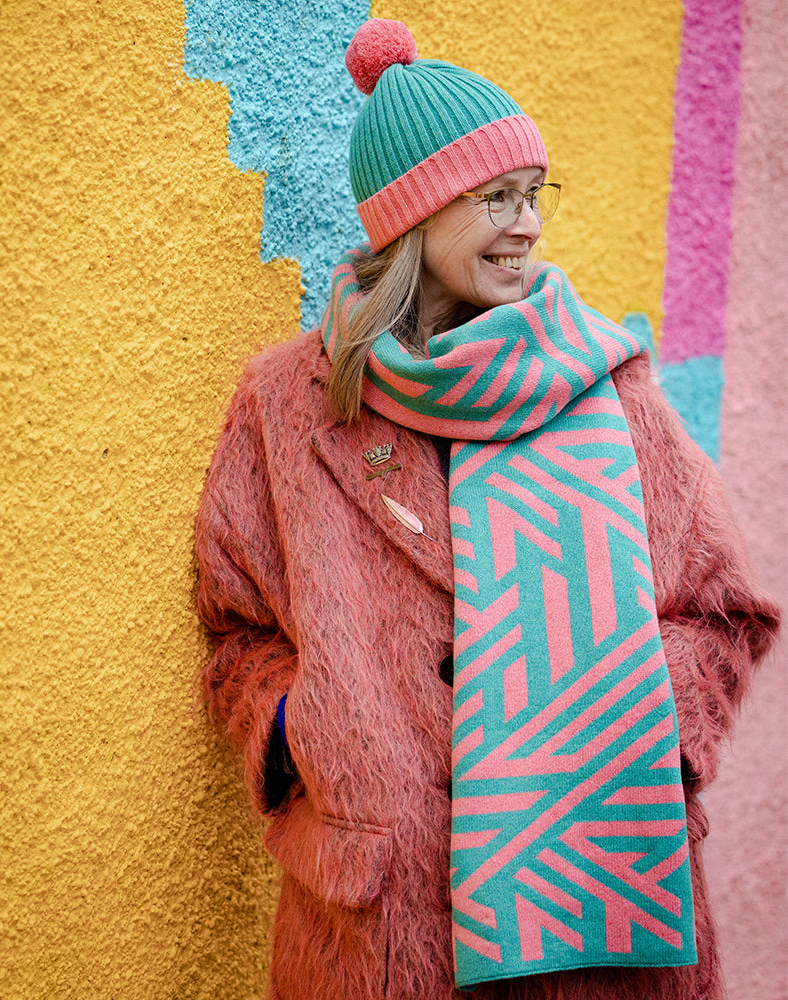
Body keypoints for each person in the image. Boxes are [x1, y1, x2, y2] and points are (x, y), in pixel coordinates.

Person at [195, 18, 780, 1000]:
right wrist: (303, 729)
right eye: (494, 200)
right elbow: (235, 619)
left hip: (599, 922)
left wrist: (640, 738)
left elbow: (723, 610)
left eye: (530, 196)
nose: (527, 225)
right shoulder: (284, 409)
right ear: (414, 219)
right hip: (378, 928)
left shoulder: (604, 385)